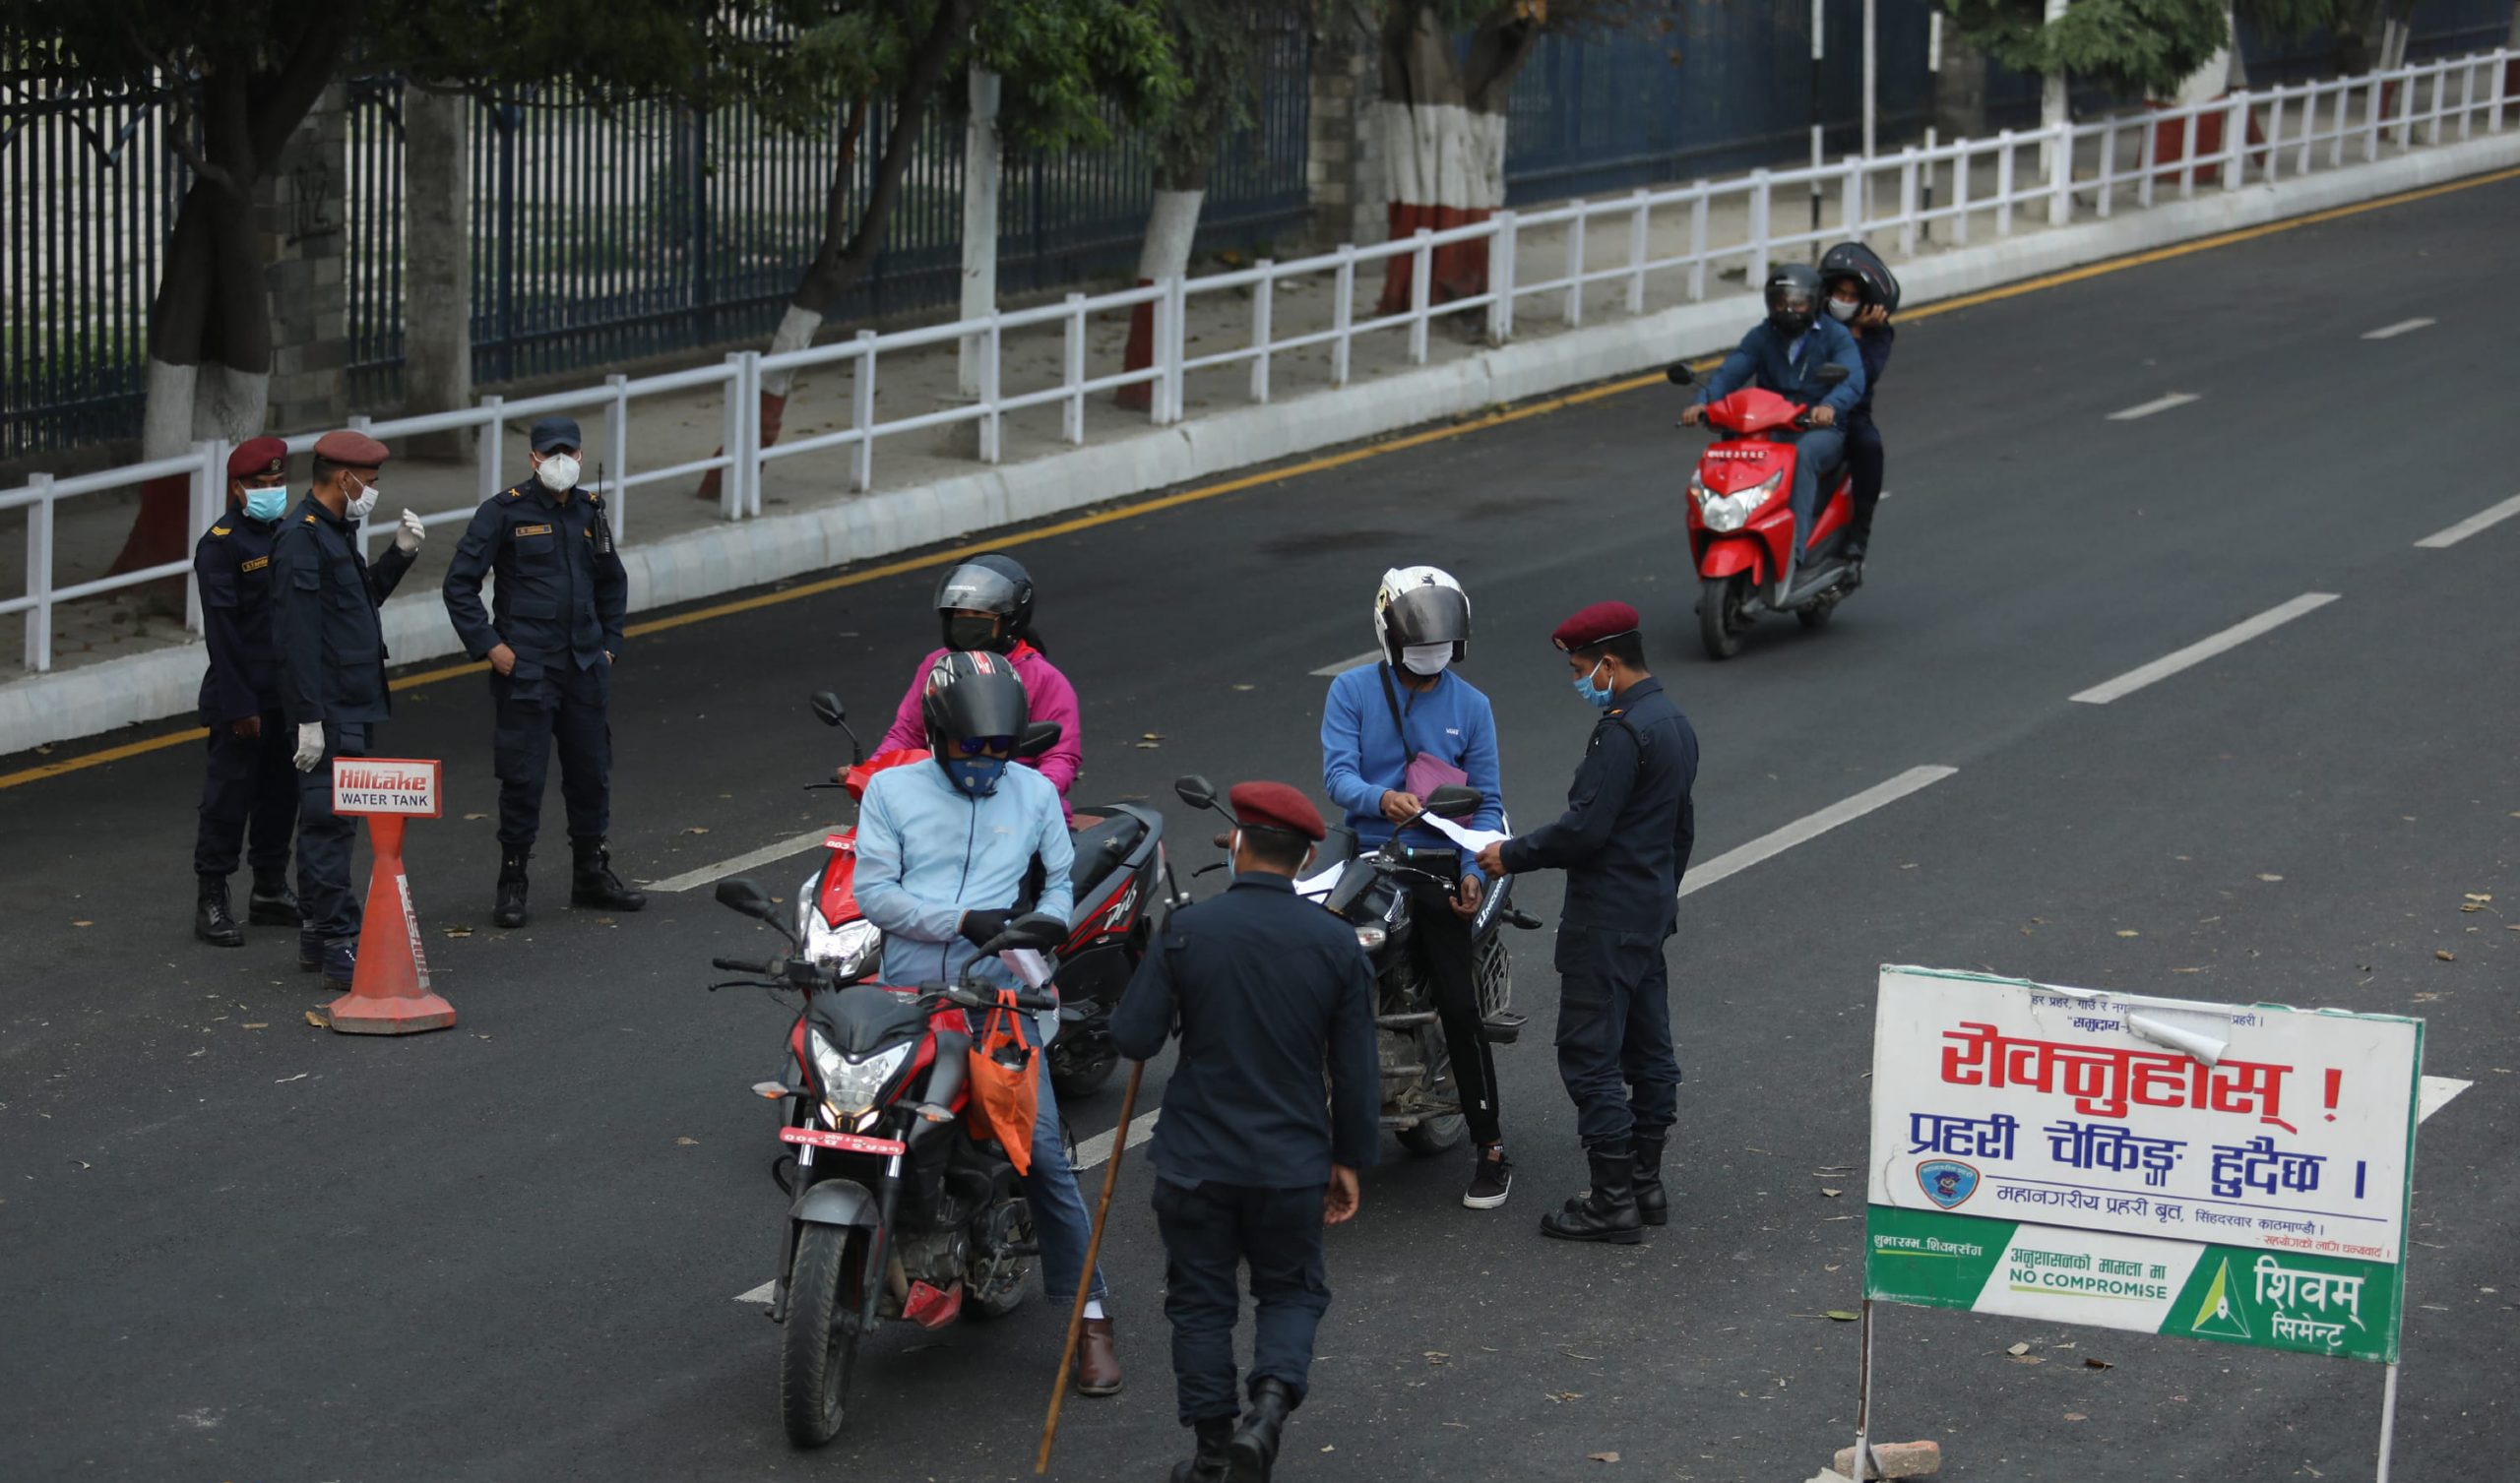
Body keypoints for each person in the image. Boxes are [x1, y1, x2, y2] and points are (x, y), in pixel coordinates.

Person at [850, 650, 1120, 1395]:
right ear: (937, 736)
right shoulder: (892, 792)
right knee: (856, 1121)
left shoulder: (1033, 793)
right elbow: (874, 892)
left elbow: (1061, 881)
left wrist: (1041, 926)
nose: (986, 763)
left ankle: (1090, 1315)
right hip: (908, 997)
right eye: (973, 749)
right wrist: (960, 919)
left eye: (1000, 750)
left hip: (1001, 1004)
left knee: (1041, 1156)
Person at [1111, 781, 1378, 1483]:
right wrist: (1349, 1159)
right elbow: (1354, 1071)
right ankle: (1265, 1414)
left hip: (1196, 1159)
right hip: (1290, 1163)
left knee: (1200, 1304)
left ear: (1236, 843)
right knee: (1290, 1292)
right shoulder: (1335, 943)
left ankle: (1208, 1456)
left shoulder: (1189, 929)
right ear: (1307, 854)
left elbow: (1133, 1037)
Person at [1475, 602, 1697, 1245]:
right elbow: (1681, 829)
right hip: (1649, 911)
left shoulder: (1623, 732)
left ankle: (1611, 1199)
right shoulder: (1674, 722)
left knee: (1590, 1055)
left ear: (1608, 662)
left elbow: (1585, 830)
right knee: (1649, 1048)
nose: (1580, 680)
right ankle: (1646, 1182)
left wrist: (1507, 853)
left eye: (1580, 667)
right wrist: (1660, 895)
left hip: (1606, 917)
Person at [1319, 565, 1513, 1209]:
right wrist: (1381, 798)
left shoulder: (1473, 705)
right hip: (1368, 855)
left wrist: (1467, 869)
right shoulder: (1350, 692)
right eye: (1416, 660)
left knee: (1459, 1004)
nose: (1427, 673)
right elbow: (1339, 776)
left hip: (1436, 860)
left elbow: (1486, 806)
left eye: (1438, 661)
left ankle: (1489, 1146)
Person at [442, 414, 645, 928]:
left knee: (590, 774)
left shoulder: (589, 508)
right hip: (527, 669)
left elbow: (611, 582)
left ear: (579, 456)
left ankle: (592, 874)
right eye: (550, 453)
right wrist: (491, 647)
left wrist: (611, 646)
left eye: (569, 453)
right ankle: (513, 882)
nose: (561, 461)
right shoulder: (502, 513)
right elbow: (459, 585)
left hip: (583, 666)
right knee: (522, 777)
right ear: (533, 459)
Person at [271, 431, 425, 987]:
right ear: (345, 479)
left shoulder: (336, 531)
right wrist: (309, 717)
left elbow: (358, 605)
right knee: (329, 826)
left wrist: (400, 555)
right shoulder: (301, 539)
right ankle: (339, 942)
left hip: (350, 704)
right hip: (329, 709)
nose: (373, 492)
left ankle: (318, 934)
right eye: (371, 483)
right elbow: (297, 637)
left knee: (329, 825)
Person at [190, 437, 305, 948]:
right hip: (243, 696)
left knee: (282, 797)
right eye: (261, 486)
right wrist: (241, 706)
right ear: (238, 489)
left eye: (278, 483)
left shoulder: (290, 533)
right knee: (228, 800)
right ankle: (212, 897)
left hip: (288, 693)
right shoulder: (221, 544)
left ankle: (270, 889)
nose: (272, 492)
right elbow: (223, 634)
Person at [870, 553, 1083, 819]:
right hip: (942, 805)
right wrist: (873, 771)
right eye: (960, 613)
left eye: (979, 614)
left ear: (1010, 620)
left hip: (1020, 816)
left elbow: (1060, 758)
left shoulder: (1044, 679)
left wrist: (1030, 796)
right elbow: (906, 734)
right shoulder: (936, 667)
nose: (967, 621)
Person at [1680, 262, 1865, 562]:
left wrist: (1829, 407)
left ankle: (1795, 549)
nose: (1788, 310)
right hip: (1768, 425)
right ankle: (1727, 528)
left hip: (1817, 429)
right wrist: (1703, 403)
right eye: (1781, 303)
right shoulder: (1762, 335)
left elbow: (1853, 379)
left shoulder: (1836, 336)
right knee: (1728, 450)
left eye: (1798, 303)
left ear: (1815, 302)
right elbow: (1730, 373)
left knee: (1802, 455)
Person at [1820, 241, 1898, 563]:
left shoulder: (1878, 334)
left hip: (1849, 415)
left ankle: (1859, 534)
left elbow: (1862, 377)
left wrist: (1854, 333)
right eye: (1841, 294)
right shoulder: (1810, 323)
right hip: (1796, 409)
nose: (1845, 301)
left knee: (1868, 446)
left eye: (1853, 297)